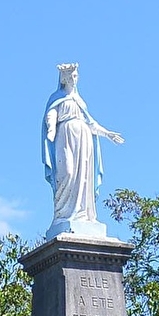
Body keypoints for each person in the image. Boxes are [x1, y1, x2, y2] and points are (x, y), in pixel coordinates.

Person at [43, 63, 124, 238]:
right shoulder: (58, 98)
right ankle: (63, 214)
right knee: (68, 172)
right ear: (65, 78)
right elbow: (51, 114)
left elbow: (91, 124)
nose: (75, 78)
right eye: (72, 76)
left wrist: (108, 134)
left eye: (76, 75)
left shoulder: (79, 101)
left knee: (84, 177)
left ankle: (82, 213)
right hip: (65, 136)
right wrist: (51, 128)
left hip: (84, 139)